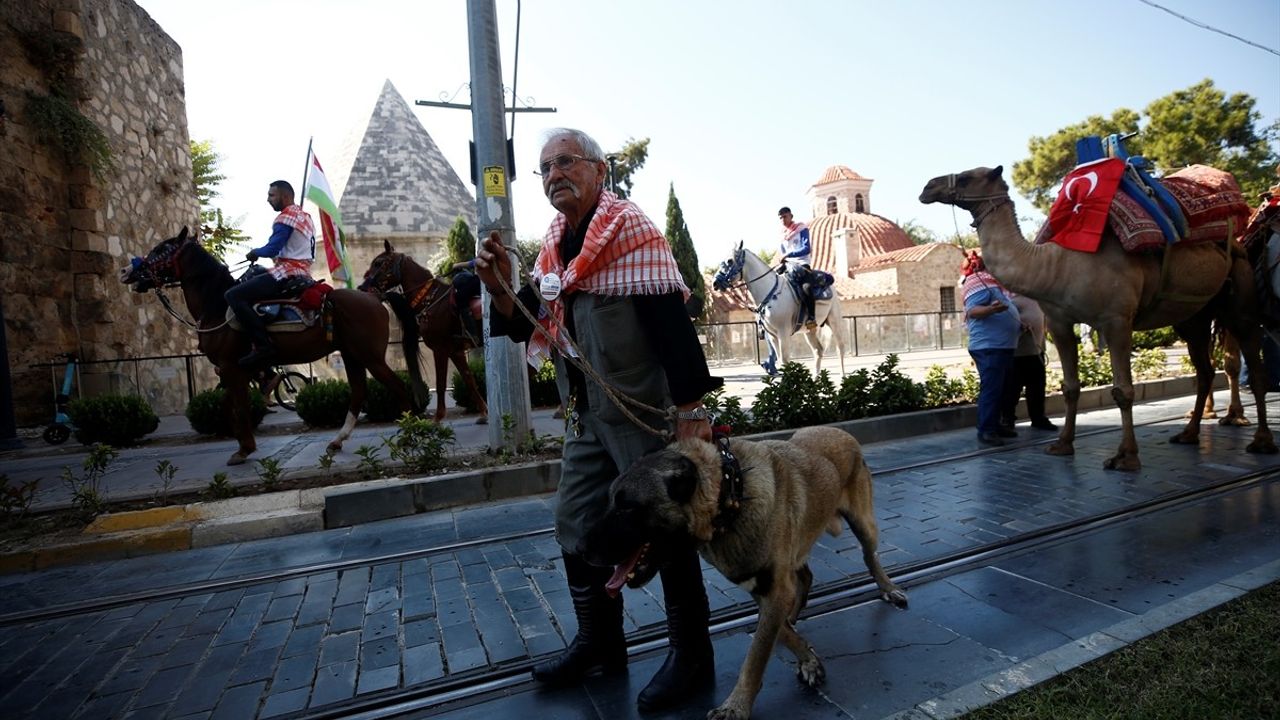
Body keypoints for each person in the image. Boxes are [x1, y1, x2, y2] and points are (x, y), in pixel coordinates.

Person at [474, 128, 722, 711]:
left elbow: (673, 329)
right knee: (577, 523)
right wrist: (499, 287)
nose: (554, 174)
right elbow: (536, 325)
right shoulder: (556, 248)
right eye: (544, 168)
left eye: (565, 162)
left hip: (646, 421)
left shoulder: (632, 233)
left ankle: (691, 655)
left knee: (667, 531)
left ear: (598, 169)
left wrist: (693, 412)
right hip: (587, 419)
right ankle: (600, 643)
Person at [225, 180, 316, 367]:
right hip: (305, 273)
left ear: (285, 196)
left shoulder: (286, 217)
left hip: (287, 272)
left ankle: (263, 346)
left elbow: (273, 249)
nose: (268, 199)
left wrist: (255, 252)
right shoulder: (305, 216)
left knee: (233, 294)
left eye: (271, 195)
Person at [961, 251, 1020, 445]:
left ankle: (995, 425)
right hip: (989, 346)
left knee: (1003, 388)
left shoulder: (993, 283)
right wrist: (992, 310)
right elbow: (973, 311)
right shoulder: (979, 282)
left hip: (1001, 346)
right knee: (992, 389)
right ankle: (986, 430)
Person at [999, 292, 1057, 432]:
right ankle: (1007, 419)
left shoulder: (1037, 299)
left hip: (1036, 351)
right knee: (1012, 389)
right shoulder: (1011, 300)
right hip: (1018, 353)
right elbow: (1006, 322)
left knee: (1037, 388)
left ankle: (1038, 418)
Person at [778, 206, 817, 329]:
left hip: (801, 264)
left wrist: (790, 254)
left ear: (791, 216)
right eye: (780, 218)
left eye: (785, 216)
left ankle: (811, 317)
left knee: (806, 287)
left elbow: (806, 248)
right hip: (788, 265)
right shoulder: (782, 236)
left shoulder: (802, 229)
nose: (783, 219)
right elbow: (783, 253)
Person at [448, 259, 484, 343]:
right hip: (481, 279)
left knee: (459, 297)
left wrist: (457, 265)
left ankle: (472, 333)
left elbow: (473, 263)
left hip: (483, 280)